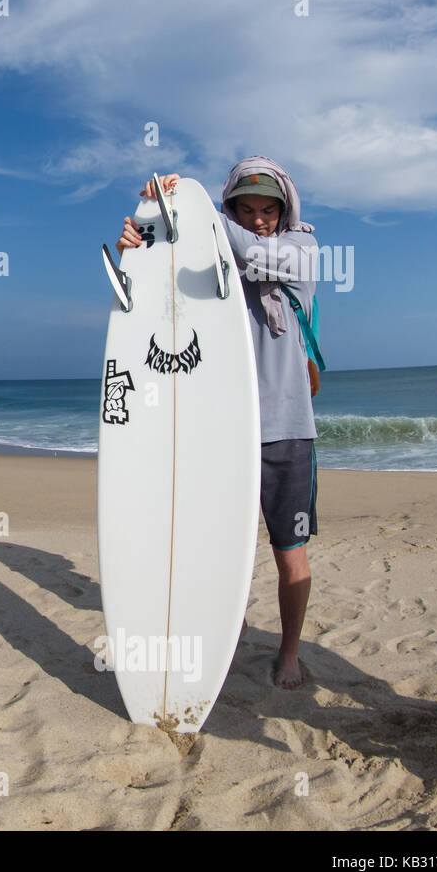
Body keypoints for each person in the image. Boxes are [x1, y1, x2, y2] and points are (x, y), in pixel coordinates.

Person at [116, 158, 320, 689]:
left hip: (286, 430)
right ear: (232, 209)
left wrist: (193, 204)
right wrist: (145, 242)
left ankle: (290, 653)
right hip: (222, 429)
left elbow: (252, 255)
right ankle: (224, 638)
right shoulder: (209, 257)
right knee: (215, 549)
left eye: (267, 211)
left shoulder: (300, 249)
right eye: (245, 210)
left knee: (290, 555)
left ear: (284, 211)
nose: (257, 221)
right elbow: (161, 313)